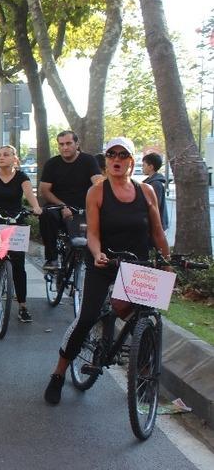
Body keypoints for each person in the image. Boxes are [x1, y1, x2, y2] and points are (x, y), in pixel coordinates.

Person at [44, 137, 170, 404]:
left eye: (123, 155)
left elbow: (158, 232)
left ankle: (144, 375)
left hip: (137, 267)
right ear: (106, 161)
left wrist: (167, 263)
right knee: (88, 317)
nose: (117, 159)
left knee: (145, 318)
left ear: (131, 161)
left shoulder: (147, 191)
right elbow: (92, 233)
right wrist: (97, 253)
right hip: (104, 263)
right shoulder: (97, 192)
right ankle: (59, 373)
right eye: (112, 154)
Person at [0, 145, 42, 323]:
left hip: (16, 221)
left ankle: (22, 306)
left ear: (14, 158)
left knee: (19, 265)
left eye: (6, 154)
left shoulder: (22, 177)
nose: (1, 157)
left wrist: (36, 207)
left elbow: (29, 193)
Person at [38, 130, 102, 271]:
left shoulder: (88, 160)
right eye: (61, 144)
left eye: (68, 143)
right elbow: (45, 190)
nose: (65, 147)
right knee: (46, 215)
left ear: (77, 144)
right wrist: (62, 206)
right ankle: (52, 258)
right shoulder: (52, 164)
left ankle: (96, 260)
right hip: (58, 207)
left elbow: (98, 184)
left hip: (83, 208)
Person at [142, 152, 168, 231]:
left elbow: (154, 207)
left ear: (151, 167)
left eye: (144, 165)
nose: (142, 168)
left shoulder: (156, 184)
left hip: (155, 226)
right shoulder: (150, 182)